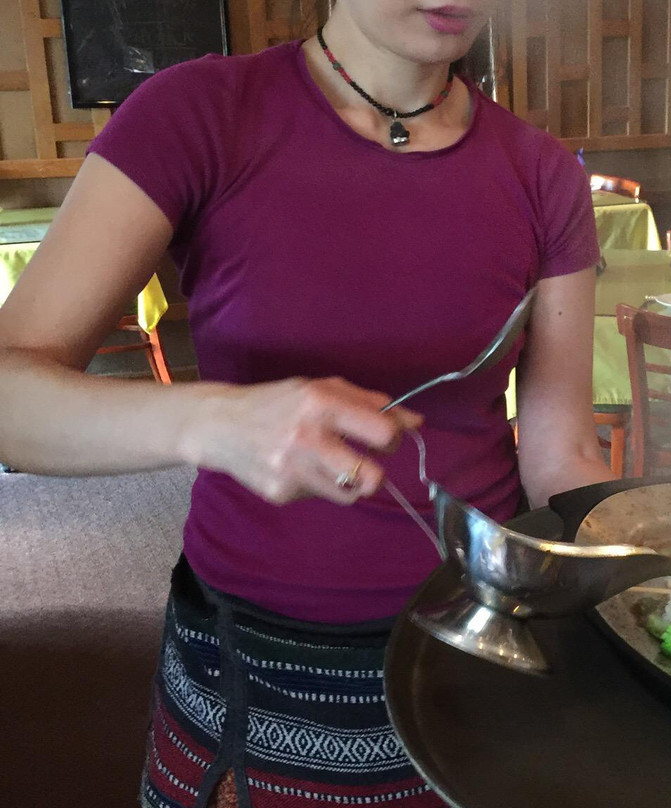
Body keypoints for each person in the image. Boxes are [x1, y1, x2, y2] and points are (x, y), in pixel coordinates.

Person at [0, 1, 615, 805]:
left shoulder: (542, 171)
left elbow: (562, 453)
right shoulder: (200, 112)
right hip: (258, 660)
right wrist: (211, 420)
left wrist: (644, 572)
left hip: (478, 642)